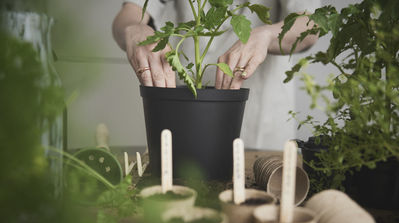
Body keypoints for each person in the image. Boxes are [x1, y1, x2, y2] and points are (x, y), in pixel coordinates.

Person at [113, 0, 320, 150]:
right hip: (187, 105)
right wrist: (134, 28)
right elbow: (130, 13)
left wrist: (266, 35)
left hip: (261, 113)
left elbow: (310, 23)